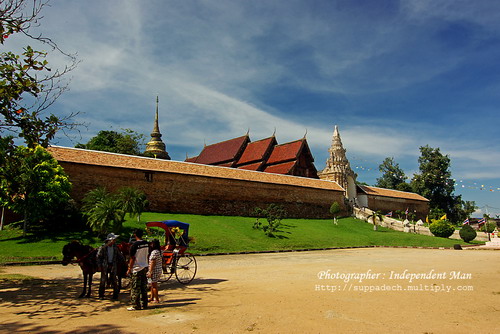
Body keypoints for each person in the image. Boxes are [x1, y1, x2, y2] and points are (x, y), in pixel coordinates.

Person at [96, 232, 125, 300]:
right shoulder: (103, 247)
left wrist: (123, 262)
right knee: (103, 280)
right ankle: (101, 294)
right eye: (113, 240)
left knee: (114, 280)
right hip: (105, 265)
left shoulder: (115, 247)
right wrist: (99, 265)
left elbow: (119, 255)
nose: (114, 241)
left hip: (113, 264)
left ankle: (115, 295)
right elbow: (98, 257)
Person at [126, 229, 149, 311]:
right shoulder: (146, 244)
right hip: (144, 266)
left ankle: (136, 305)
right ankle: (144, 304)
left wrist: (129, 268)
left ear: (135, 235)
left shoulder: (134, 245)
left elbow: (132, 258)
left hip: (136, 268)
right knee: (143, 287)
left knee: (135, 288)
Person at [147, 239, 162, 303]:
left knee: (154, 285)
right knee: (152, 285)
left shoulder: (154, 252)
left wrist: (150, 271)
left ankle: (156, 299)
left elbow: (153, 262)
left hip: (154, 270)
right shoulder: (158, 251)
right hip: (157, 269)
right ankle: (152, 297)